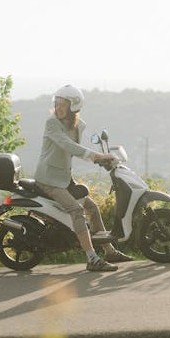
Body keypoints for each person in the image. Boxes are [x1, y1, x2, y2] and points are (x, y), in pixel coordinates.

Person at [35, 84, 134, 272]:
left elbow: (81, 146)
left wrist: (101, 159)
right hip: (48, 178)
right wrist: (97, 156)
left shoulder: (78, 125)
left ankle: (109, 251)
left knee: (93, 208)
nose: (58, 108)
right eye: (56, 103)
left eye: (63, 104)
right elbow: (68, 146)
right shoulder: (52, 123)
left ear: (74, 106)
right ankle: (91, 258)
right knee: (77, 210)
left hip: (63, 177)